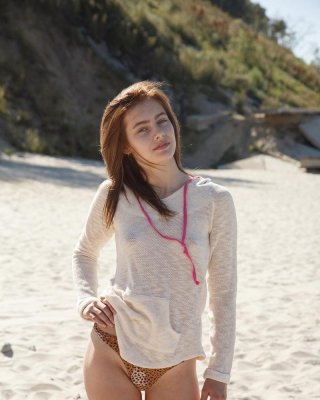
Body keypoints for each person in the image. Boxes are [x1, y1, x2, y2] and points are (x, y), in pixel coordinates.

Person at [71, 80, 237, 400]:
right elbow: (84, 252)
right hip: (113, 344)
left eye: (162, 121)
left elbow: (224, 293)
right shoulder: (114, 194)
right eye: (142, 129)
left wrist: (219, 373)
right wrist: (85, 299)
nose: (159, 133)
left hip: (177, 360)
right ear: (126, 146)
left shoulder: (215, 200)